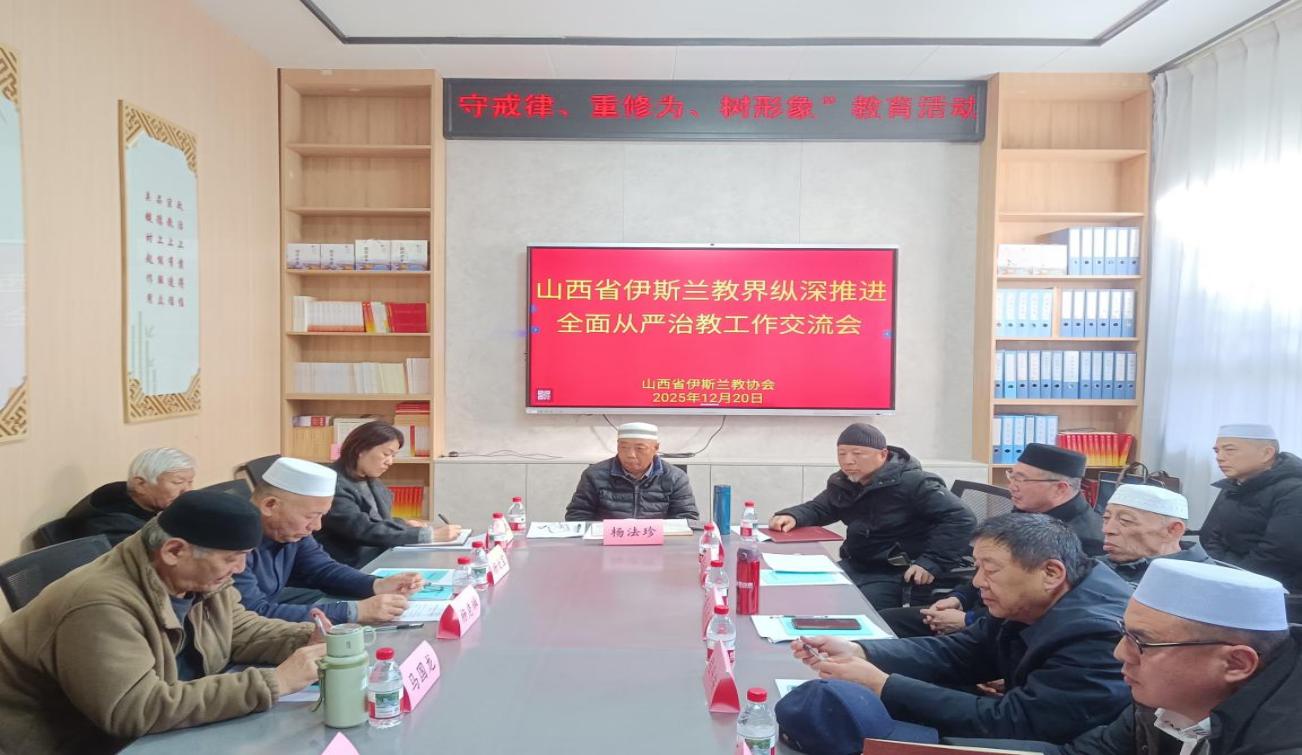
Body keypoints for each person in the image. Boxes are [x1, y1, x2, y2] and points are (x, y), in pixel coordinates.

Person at [0, 491, 328, 753]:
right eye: (232, 558)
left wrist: (305, 639)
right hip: (73, 743)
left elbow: (237, 629)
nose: (240, 569)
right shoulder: (99, 604)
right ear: (173, 551)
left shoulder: (197, 575)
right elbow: (134, 708)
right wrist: (276, 682)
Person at [792, 513, 1132, 743]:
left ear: (1051, 573)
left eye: (991, 570)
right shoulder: (1029, 599)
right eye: (977, 567)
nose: (978, 582)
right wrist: (862, 651)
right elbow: (962, 650)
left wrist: (882, 685)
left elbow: (1017, 723)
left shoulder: (1098, 635)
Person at [955, 561, 1302, 755]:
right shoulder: (1167, 696)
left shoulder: (1283, 743)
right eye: (1125, 633)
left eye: (1142, 642)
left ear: (1236, 664)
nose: (1120, 652)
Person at [885, 442, 1104, 637]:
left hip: (1009, 632)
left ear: (1060, 488)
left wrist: (969, 620)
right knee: (886, 621)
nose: (1012, 485)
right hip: (980, 613)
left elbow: (1046, 612)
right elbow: (987, 571)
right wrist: (958, 598)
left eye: (1022, 479)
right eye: (1012, 476)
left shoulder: (1086, 540)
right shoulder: (1026, 512)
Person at [768, 423, 977, 610]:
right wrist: (793, 516)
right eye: (842, 454)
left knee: (851, 611)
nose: (848, 461)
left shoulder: (915, 483)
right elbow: (821, 507)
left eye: (857, 454)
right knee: (805, 595)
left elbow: (961, 518)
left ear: (883, 454)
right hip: (857, 563)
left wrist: (931, 562)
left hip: (896, 572)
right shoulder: (845, 482)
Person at [232, 457, 424, 625]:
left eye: (321, 516)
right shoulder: (232, 544)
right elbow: (252, 614)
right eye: (311, 516)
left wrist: (376, 585)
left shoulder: (290, 531)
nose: (317, 526)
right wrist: (355, 611)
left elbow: (322, 569)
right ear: (270, 505)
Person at [316, 420, 462, 568]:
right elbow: (362, 529)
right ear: (360, 450)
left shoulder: (369, 479)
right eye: (386, 454)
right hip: (351, 566)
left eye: (393, 455)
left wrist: (403, 524)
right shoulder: (332, 484)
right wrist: (430, 535)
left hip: (379, 556)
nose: (390, 462)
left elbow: (376, 519)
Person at [1201, 423, 1302, 598]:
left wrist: (1231, 581)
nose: (1220, 458)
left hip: (1276, 587)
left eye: (1229, 450)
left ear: (1266, 453)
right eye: (1217, 451)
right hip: (1230, 576)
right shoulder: (1234, 484)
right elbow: (1212, 534)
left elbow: (1278, 554)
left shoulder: (1294, 491)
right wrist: (1214, 570)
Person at [565, 422, 698, 521]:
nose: (630, 455)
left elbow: (686, 519)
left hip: (656, 543)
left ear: (656, 448)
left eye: (640, 448)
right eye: (624, 447)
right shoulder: (594, 475)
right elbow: (577, 516)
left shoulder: (675, 477)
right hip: (606, 543)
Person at [64, 447, 196, 545]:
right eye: (177, 482)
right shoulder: (112, 527)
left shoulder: (155, 507)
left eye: (190, 482)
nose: (187, 490)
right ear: (140, 485)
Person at [1100, 484, 1214, 586]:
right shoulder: (1097, 567)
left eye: (1126, 520)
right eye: (1106, 518)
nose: (1107, 529)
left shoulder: (1202, 582)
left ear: (1173, 530)